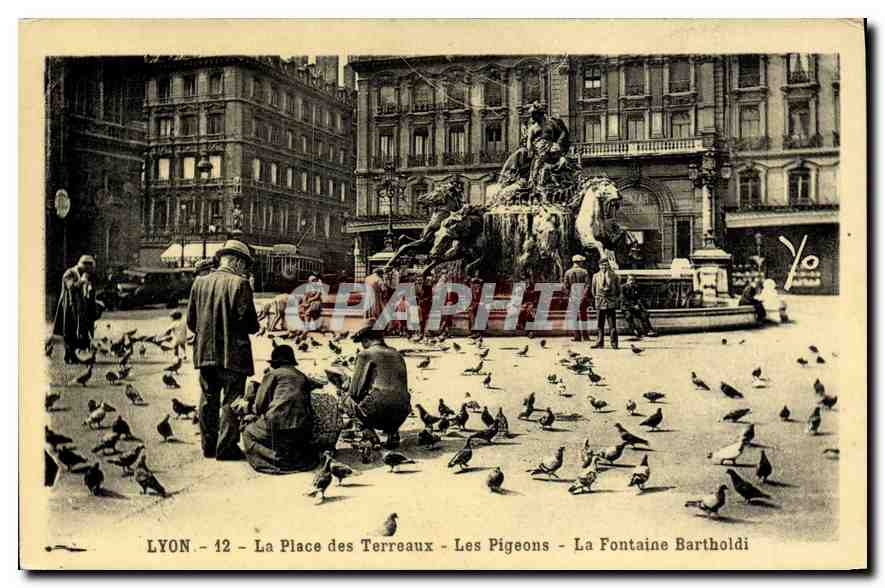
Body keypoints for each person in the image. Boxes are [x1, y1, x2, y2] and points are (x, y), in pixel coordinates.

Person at [186, 239, 261, 461]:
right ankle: (226, 448)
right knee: (232, 399)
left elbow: (191, 322)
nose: (244, 270)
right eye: (244, 265)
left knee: (208, 398)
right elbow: (251, 325)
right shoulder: (240, 284)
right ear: (237, 262)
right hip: (233, 355)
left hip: (205, 353)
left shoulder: (200, 282)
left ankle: (208, 446)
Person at [239, 344, 321, 474]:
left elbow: (259, 407)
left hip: (277, 426)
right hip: (302, 429)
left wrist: (248, 408)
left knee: (247, 431)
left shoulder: (273, 374)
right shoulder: (302, 376)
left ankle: (274, 462)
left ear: (275, 363)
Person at [344, 320, 411, 449]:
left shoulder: (365, 354)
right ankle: (392, 432)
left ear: (365, 339)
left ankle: (369, 434)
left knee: (346, 400)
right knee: (393, 398)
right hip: (401, 411)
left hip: (378, 411)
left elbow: (355, 392)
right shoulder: (397, 354)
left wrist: (346, 384)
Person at [53, 254, 102, 364]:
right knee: (69, 331)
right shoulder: (69, 273)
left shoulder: (85, 275)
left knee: (79, 332)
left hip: (80, 308)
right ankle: (69, 356)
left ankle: (74, 356)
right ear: (83, 265)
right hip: (69, 307)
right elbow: (71, 287)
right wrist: (82, 281)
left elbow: (88, 291)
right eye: (88, 268)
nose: (89, 271)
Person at [590, 258, 621, 349]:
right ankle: (600, 342)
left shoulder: (614, 276)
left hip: (611, 302)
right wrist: (598, 297)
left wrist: (614, 299)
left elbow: (618, 290)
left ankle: (614, 343)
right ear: (599, 266)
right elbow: (593, 290)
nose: (604, 267)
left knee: (612, 325)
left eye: (606, 265)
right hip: (600, 302)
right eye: (602, 265)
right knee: (600, 324)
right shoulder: (595, 276)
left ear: (608, 266)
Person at [562, 254, 591, 342]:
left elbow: (565, 286)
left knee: (574, 317)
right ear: (580, 262)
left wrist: (570, 295)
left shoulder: (567, 272)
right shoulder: (584, 272)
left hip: (573, 297)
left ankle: (577, 336)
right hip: (582, 297)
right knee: (584, 316)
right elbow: (588, 285)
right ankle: (585, 336)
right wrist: (584, 296)